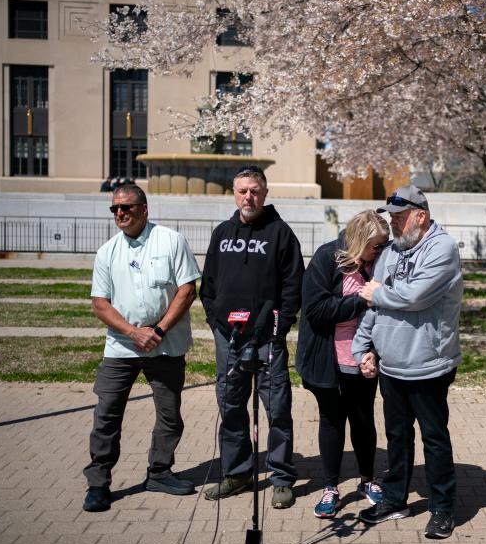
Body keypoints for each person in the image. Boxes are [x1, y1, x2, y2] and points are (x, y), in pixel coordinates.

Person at [352, 185, 463, 539]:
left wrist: (378, 292)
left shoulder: (441, 249)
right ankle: (395, 499)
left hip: (429, 363)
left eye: (400, 217)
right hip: (392, 365)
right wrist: (364, 348)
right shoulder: (389, 253)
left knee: (434, 437)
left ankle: (442, 508)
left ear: (420, 215)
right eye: (391, 218)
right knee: (397, 437)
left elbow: (413, 297)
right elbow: (375, 305)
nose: (394, 224)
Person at [83, 184, 200, 512]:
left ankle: (159, 472)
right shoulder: (107, 252)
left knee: (169, 414)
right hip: (121, 347)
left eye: (127, 207)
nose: (120, 213)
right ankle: (98, 482)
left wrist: (158, 330)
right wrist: (134, 332)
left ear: (144, 209)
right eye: (115, 209)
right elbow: (100, 304)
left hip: (166, 345)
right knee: (107, 413)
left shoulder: (171, 241)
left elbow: (187, 290)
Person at [200, 165, 305, 509]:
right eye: (243, 190)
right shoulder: (221, 233)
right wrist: (217, 324)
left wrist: (280, 326)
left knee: (276, 410)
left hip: (267, 340)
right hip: (228, 338)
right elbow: (209, 287)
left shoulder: (281, 234)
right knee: (230, 407)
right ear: (235, 193)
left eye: (255, 190)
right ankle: (237, 472)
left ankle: (281, 477)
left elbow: (293, 287)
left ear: (265, 193)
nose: (249, 196)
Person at [295, 210, 390, 518]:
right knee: (332, 420)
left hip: (363, 359)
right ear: (359, 240)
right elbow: (316, 310)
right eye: (375, 245)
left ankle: (368, 480)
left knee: (363, 420)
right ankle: (331, 487)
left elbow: (385, 314)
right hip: (327, 358)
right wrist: (362, 300)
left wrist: (373, 351)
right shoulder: (326, 259)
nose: (379, 251)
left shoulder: (378, 264)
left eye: (383, 245)